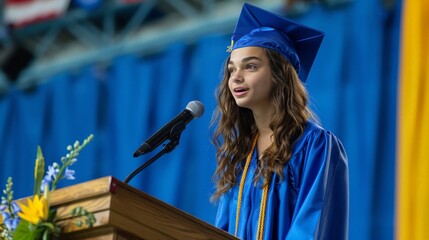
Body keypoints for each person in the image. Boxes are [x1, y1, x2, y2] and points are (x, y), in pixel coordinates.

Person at [211, 3, 349, 240]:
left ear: (279, 74)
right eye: (232, 70)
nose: (236, 78)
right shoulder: (240, 153)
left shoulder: (314, 146)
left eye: (251, 66)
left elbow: (313, 227)